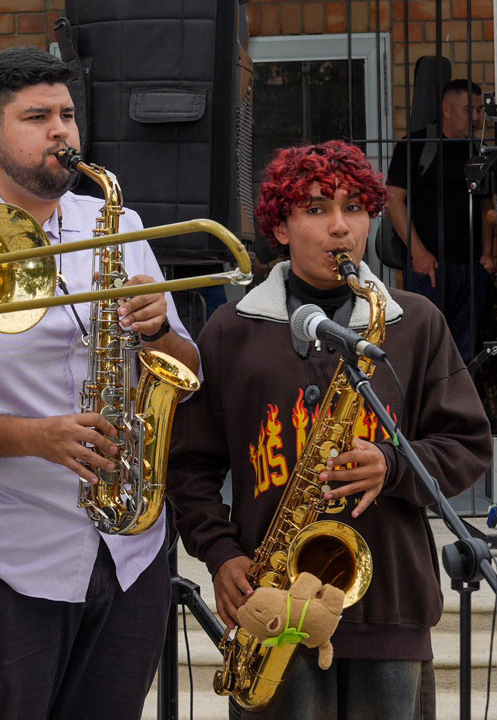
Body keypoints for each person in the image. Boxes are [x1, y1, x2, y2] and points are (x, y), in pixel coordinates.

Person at [0, 46, 202, 719]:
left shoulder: (120, 225)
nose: (63, 133)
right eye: (38, 117)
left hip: (129, 548)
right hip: (3, 559)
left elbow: (185, 368)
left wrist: (157, 331)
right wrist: (35, 437)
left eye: (68, 115)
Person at [167, 140, 492, 719]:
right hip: (270, 610)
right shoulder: (229, 330)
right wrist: (220, 555)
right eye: (316, 209)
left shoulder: (415, 322)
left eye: (354, 208)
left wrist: (392, 464)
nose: (340, 227)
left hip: (389, 605)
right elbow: (189, 466)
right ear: (281, 228)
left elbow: (467, 444)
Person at [386, 78, 495, 361]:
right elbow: (393, 199)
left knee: (467, 349)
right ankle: (429, 405)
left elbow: (485, 205)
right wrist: (418, 252)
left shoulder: (477, 151)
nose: (474, 117)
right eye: (467, 109)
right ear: (446, 109)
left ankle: (461, 403)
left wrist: (486, 255)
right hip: (429, 269)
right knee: (428, 347)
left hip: (471, 268)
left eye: (478, 110)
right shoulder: (418, 145)